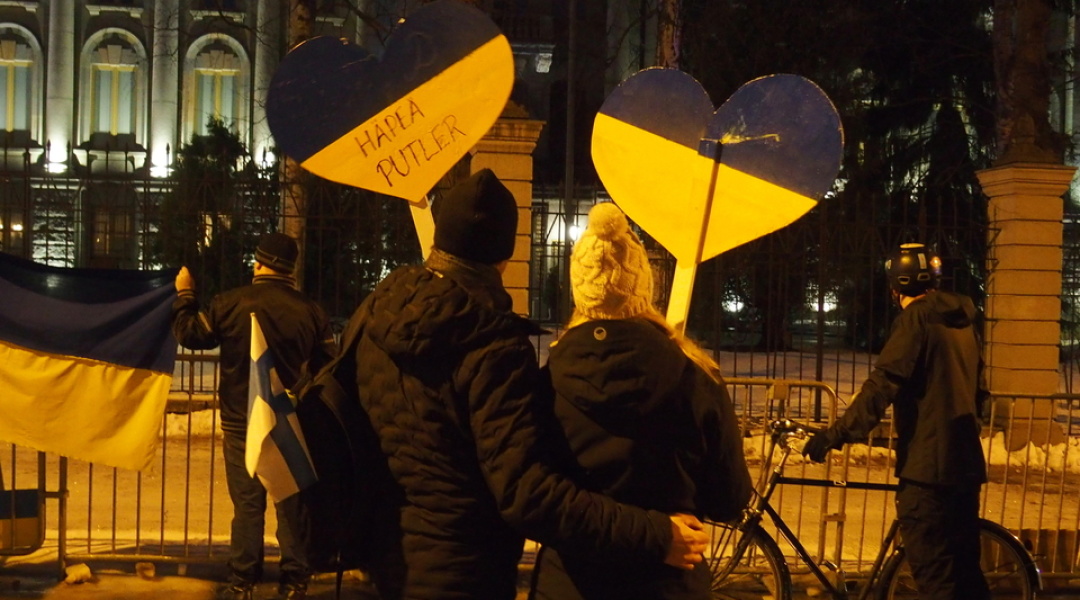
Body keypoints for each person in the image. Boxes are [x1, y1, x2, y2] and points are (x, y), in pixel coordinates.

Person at [339, 168, 710, 600]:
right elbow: (527, 494)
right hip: (464, 574)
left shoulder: (374, 313)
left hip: (385, 562)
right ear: (504, 256)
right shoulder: (491, 345)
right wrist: (655, 535)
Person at [529, 202, 754, 600]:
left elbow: (537, 496)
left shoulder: (547, 383)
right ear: (643, 288)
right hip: (668, 583)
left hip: (570, 584)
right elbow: (728, 499)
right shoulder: (696, 378)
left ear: (579, 294)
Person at [802, 242, 990, 600]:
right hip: (965, 467)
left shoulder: (915, 319)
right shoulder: (963, 320)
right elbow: (980, 391)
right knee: (966, 575)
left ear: (896, 287)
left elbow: (884, 383)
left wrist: (836, 434)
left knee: (936, 578)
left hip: (927, 471)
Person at [171, 233, 337, 600]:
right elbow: (328, 366)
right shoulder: (311, 311)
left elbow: (191, 334)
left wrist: (185, 295)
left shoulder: (229, 303)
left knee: (247, 504)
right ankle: (294, 582)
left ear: (259, 264)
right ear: (290, 269)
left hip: (240, 420)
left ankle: (242, 581)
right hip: (290, 420)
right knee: (290, 501)